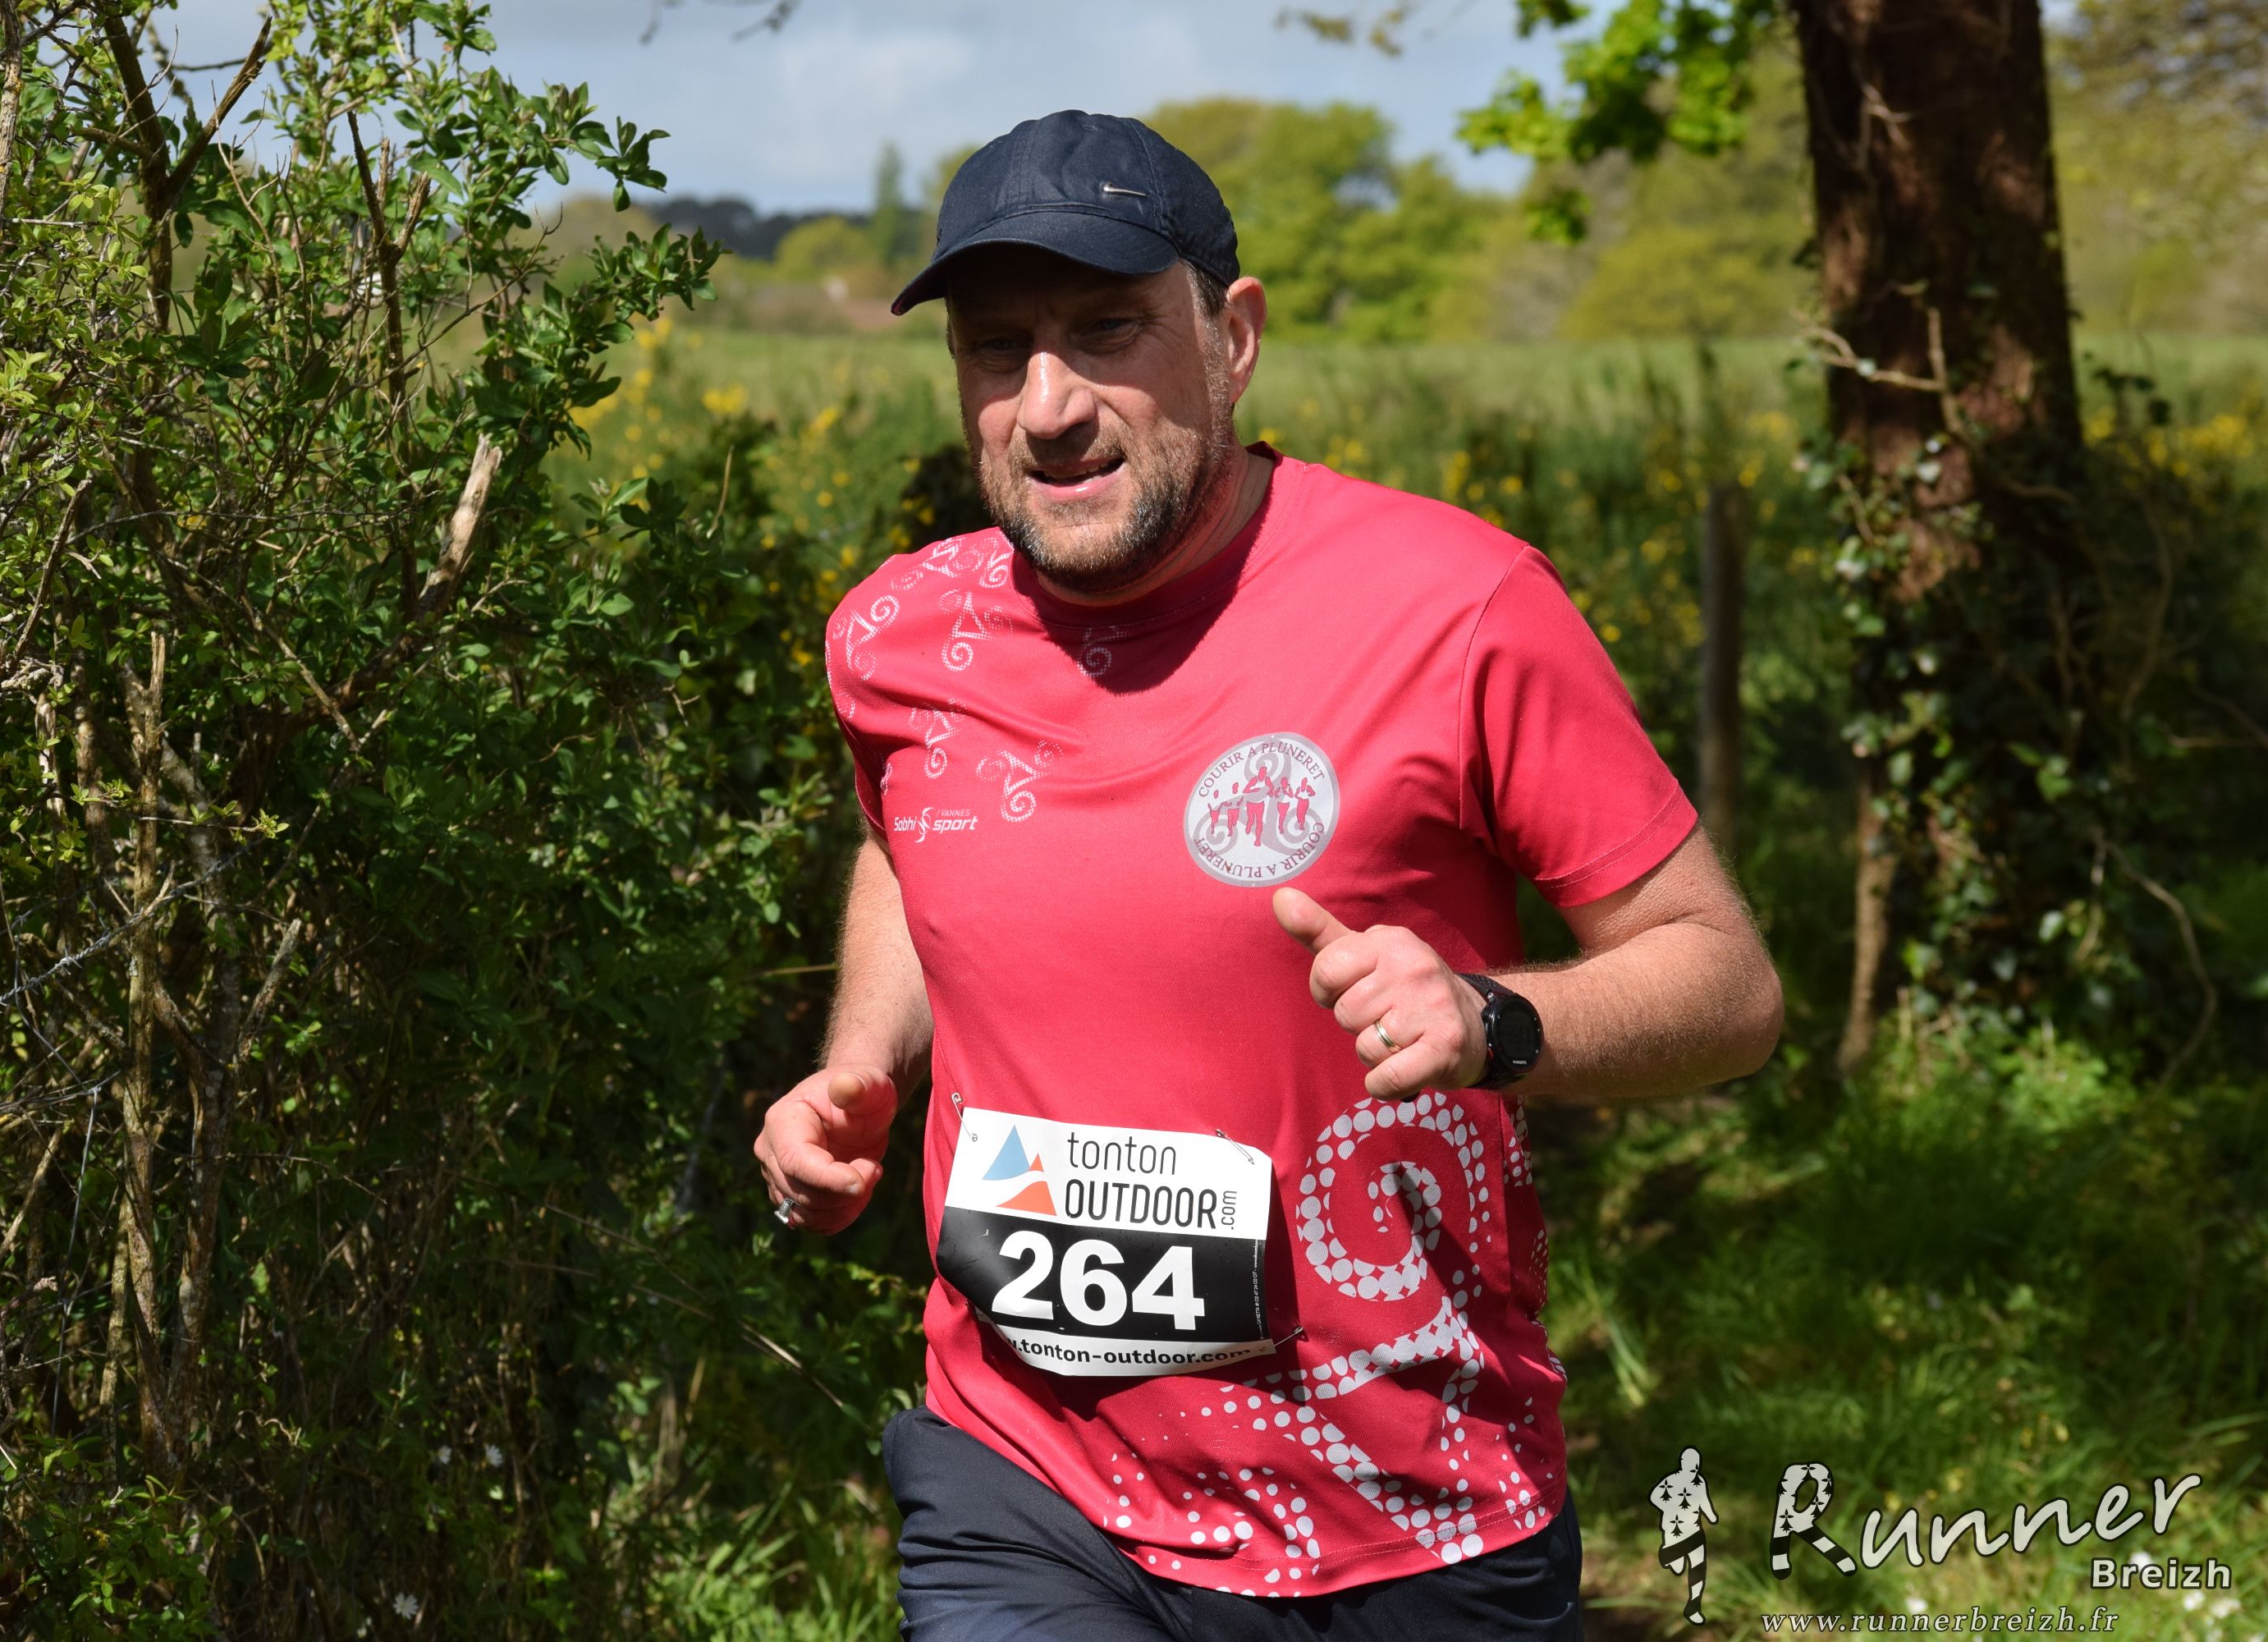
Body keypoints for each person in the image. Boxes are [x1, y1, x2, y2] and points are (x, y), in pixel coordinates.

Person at [753, 108, 1784, 1641]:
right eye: (997, 349)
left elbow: (1729, 986)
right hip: (1021, 1486)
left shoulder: (1459, 606)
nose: (1047, 406)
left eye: (1109, 331)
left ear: (1232, 340)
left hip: (1409, 1510)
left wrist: (1495, 1022)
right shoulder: (902, 636)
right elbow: (911, 845)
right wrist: (854, 1067)